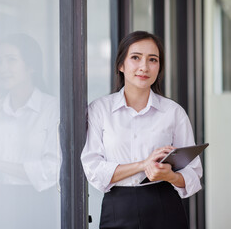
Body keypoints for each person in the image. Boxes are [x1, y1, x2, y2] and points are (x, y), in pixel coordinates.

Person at [81, 31, 203, 229]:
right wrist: (143, 164)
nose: (144, 67)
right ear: (121, 65)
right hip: (117, 209)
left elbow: (193, 174)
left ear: (159, 68)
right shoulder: (100, 110)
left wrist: (169, 175)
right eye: (135, 57)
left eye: (152, 60)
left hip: (165, 208)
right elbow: (93, 169)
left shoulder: (173, 112)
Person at [0, 33, 60, 229]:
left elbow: (52, 169)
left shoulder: (52, 108)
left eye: (11, 60)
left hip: (35, 204)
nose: (3, 68)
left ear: (31, 67)